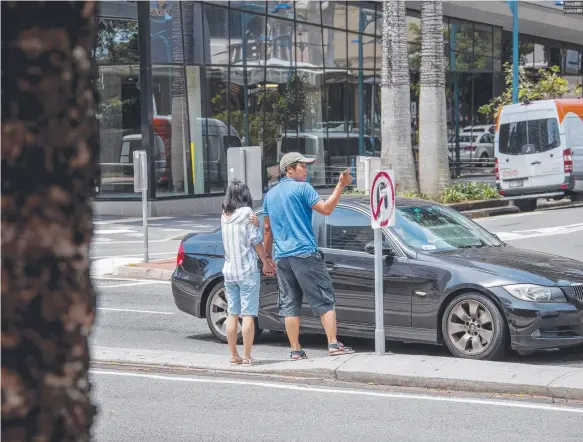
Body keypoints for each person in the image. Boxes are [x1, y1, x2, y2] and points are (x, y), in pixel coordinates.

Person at [263, 152, 355, 360]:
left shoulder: (270, 195)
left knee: (289, 303)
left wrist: (267, 258)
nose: (307, 169)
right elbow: (326, 209)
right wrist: (341, 185)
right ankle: (333, 343)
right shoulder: (303, 189)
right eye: (302, 166)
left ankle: (295, 349)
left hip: (282, 256)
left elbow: (267, 229)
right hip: (304, 252)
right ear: (289, 169)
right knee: (324, 298)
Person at [221, 179, 275, 366]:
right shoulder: (247, 213)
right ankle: (247, 356)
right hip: (247, 270)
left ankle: (233, 355)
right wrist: (266, 262)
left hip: (229, 272)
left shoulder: (224, 215)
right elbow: (255, 240)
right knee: (248, 315)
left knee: (232, 314)